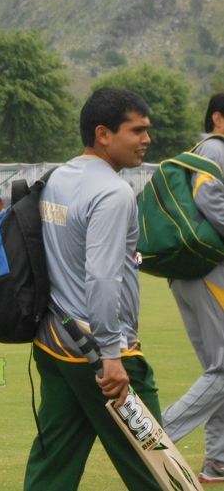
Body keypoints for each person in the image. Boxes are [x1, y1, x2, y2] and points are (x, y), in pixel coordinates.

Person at [23, 87, 163, 490]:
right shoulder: (113, 193)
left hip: (53, 341)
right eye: (136, 131)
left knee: (54, 464)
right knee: (155, 465)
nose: (146, 140)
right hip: (102, 357)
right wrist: (111, 355)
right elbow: (102, 278)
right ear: (104, 134)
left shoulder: (58, 177)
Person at [162, 92, 224, 484]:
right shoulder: (215, 149)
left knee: (216, 371)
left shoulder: (199, 149)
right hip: (209, 272)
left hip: (188, 272)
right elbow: (208, 194)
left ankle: (217, 460)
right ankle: (158, 434)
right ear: (218, 118)